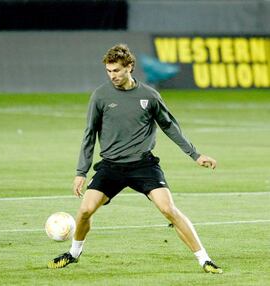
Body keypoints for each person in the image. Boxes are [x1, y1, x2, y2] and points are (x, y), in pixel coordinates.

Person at [47, 44, 223, 274]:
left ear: (129, 67)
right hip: (111, 166)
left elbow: (170, 127)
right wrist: (81, 172)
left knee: (169, 209)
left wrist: (195, 155)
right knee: (85, 211)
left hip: (143, 165)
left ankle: (204, 259)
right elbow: (89, 134)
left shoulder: (149, 96)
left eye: (117, 70)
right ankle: (73, 253)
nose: (113, 76)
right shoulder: (101, 96)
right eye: (109, 71)